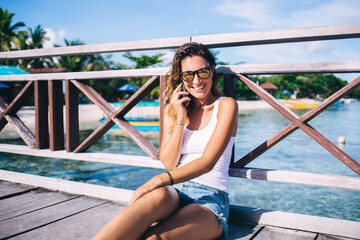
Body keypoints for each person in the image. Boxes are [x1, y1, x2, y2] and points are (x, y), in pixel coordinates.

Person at [93, 42, 238, 240]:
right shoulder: (173, 110)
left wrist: (157, 180)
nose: (196, 80)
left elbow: (208, 162)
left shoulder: (226, 106)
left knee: (153, 238)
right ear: (181, 78)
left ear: (212, 71)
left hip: (210, 197)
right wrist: (179, 118)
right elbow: (169, 163)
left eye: (202, 72)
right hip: (174, 190)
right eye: (188, 75)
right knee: (149, 202)